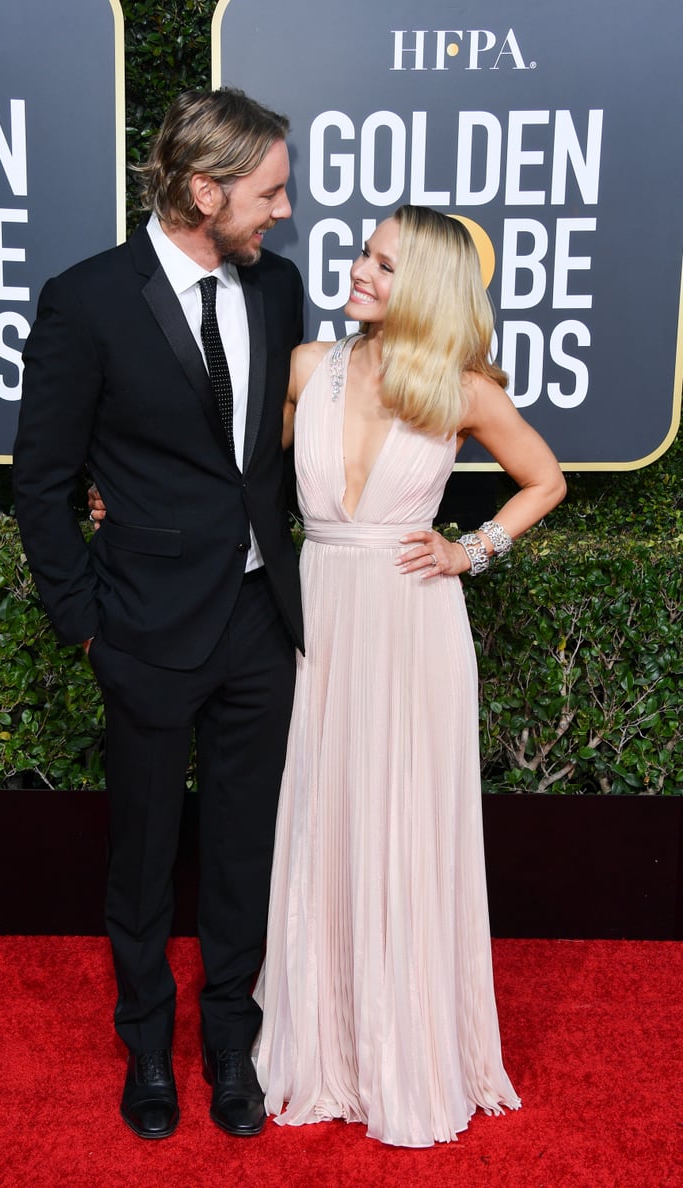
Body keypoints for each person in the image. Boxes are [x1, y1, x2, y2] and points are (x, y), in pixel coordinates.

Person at [12, 89, 304, 1141]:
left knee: (242, 847)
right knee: (141, 854)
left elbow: (270, 455)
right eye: (268, 191)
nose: (282, 211)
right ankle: (148, 1043)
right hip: (140, 626)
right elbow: (42, 482)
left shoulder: (280, 292)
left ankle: (231, 1038)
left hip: (261, 618)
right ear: (202, 188)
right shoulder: (87, 300)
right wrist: (87, 620)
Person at [251, 205, 566, 1147]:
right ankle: (326, 1035)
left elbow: (544, 480)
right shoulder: (310, 366)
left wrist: (474, 550)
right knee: (323, 813)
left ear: (424, 286)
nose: (359, 271)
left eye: (385, 265)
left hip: (412, 624)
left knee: (402, 820)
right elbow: (237, 474)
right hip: (319, 618)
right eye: (363, 254)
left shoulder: (463, 390)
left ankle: (405, 1045)